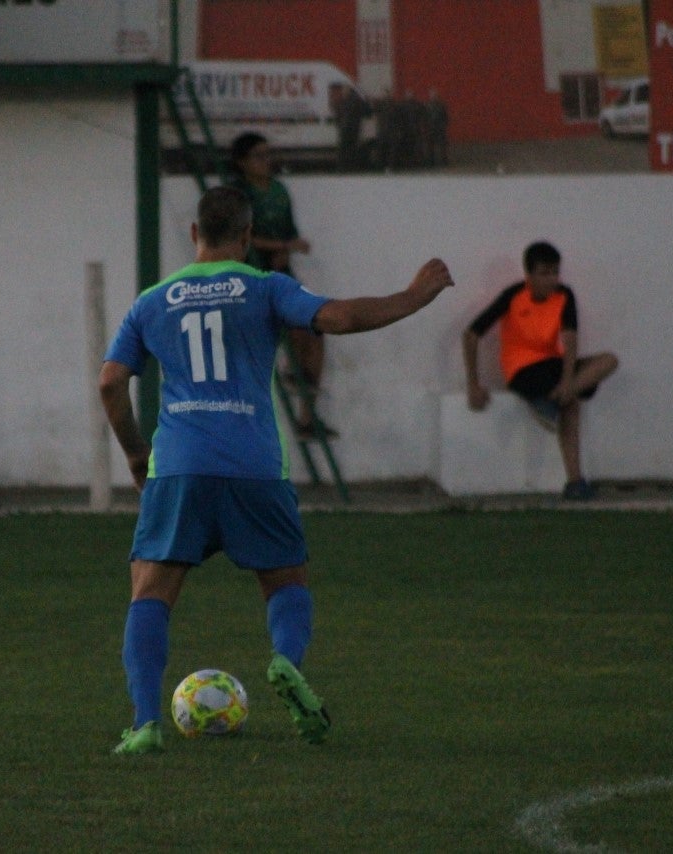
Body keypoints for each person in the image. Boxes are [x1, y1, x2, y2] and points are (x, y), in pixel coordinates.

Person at [100, 186, 453, 754]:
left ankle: (144, 723)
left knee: (150, 591)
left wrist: (136, 454)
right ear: (245, 238)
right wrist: (413, 296)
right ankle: (285, 662)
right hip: (254, 466)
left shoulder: (152, 300)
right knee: (286, 582)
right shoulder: (265, 287)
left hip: (180, 468)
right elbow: (335, 319)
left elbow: (110, 382)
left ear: (195, 234)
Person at [461, 241, 619, 500]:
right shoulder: (513, 295)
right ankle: (576, 479)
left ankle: (553, 403)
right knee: (572, 403)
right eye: (545, 273)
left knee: (608, 361)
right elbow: (470, 334)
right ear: (529, 275)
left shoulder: (564, 296)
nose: (552, 279)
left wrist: (568, 382)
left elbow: (570, 340)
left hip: (553, 365)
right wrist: (473, 383)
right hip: (522, 370)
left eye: (555, 272)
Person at [228, 132, 330, 440]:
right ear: (242, 162)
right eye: (258, 156)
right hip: (249, 276)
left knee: (316, 326)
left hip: (278, 271)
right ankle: (293, 375)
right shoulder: (238, 194)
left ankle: (306, 413)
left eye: (268, 154)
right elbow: (239, 236)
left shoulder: (279, 191)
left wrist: (284, 249)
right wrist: (282, 244)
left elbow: (288, 232)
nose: (266, 162)